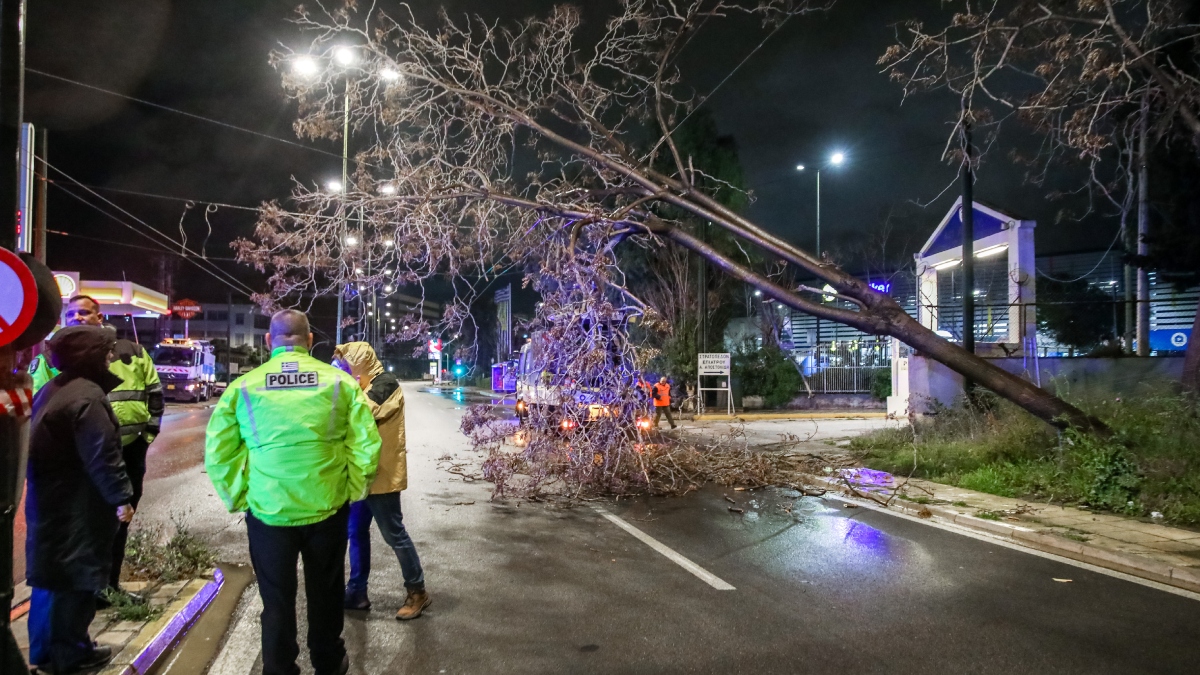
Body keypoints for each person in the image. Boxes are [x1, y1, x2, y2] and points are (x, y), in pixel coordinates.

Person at [205, 310, 380, 675]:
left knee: (277, 599)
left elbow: (220, 453)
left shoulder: (244, 388)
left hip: (269, 512)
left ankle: (279, 666)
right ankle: (328, 660)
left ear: (269, 341)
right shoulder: (339, 384)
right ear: (310, 341)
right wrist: (353, 489)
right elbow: (365, 444)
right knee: (326, 592)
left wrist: (240, 496)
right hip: (327, 507)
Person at [28, 295, 164, 600]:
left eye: (84, 312)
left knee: (114, 525)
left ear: (98, 316)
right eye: (72, 313)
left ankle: (106, 586)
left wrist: (147, 437)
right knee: (84, 526)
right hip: (81, 459)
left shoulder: (133, 352)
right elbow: (39, 406)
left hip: (127, 451)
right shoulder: (54, 358)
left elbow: (155, 393)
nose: (78, 317)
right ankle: (84, 597)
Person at [26, 325, 135, 674]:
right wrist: (121, 498)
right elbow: (103, 455)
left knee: (50, 579)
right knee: (75, 578)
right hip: (77, 505)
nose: (112, 356)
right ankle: (71, 654)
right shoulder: (87, 398)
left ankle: (46, 652)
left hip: (51, 502)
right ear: (90, 355)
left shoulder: (54, 389)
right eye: (106, 350)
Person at [332, 342, 430, 620]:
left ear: (360, 362)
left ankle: (418, 591)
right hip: (363, 474)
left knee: (394, 534)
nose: (343, 368)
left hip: (382, 474)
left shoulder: (385, 384)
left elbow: (360, 413)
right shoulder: (362, 384)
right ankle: (357, 592)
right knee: (356, 532)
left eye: (347, 364)